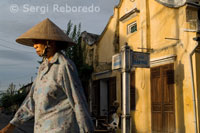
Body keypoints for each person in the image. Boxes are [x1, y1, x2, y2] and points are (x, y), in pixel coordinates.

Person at [0, 18, 94, 133]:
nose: (34, 46)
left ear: (50, 43)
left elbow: (78, 101)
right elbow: (31, 101)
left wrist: (87, 130)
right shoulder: (43, 68)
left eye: (37, 41)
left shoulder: (64, 65)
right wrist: (11, 126)